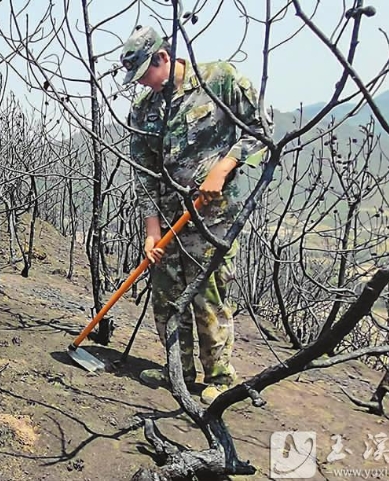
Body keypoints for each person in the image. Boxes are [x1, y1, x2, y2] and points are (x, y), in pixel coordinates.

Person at [121, 26, 271, 404]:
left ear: (164, 58)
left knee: (208, 292)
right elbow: (145, 174)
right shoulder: (143, 110)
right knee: (166, 294)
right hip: (169, 217)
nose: (145, 84)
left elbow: (259, 128)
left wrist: (224, 167)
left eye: (146, 74)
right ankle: (179, 371)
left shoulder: (218, 79)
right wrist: (151, 231)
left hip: (214, 216)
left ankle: (218, 376)